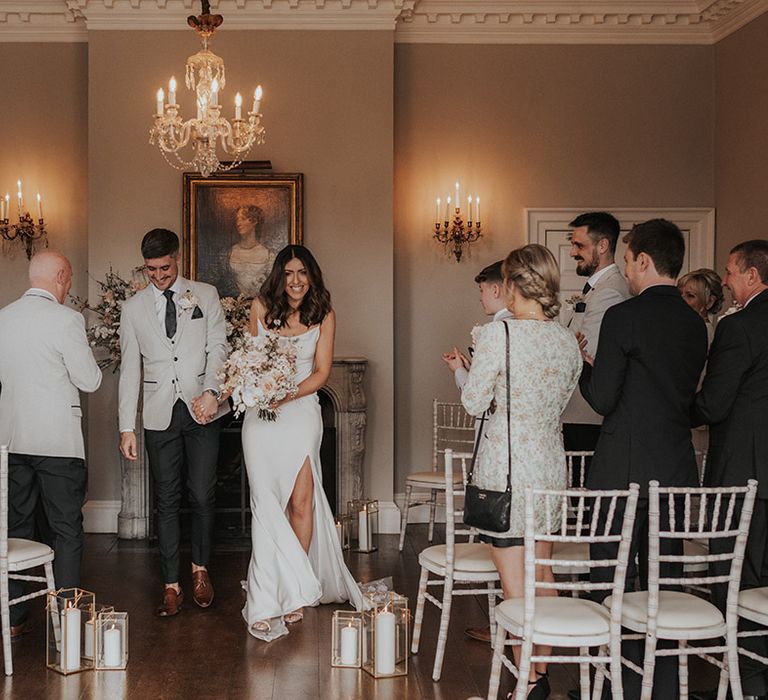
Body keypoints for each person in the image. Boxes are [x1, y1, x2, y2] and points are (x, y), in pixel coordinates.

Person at [579, 218, 708, 699]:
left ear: (644, 261)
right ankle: (664, 685)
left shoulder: (624, 318)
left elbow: (605, 399)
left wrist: (583, 370)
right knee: (665, 581)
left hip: (621, 466)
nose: (626, 271)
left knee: (608, 574)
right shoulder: (695, 323)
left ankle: (608, 685)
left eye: (629, 261)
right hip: (676, 466)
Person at [461, 244, 582, 698]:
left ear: (513, 285)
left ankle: (528, 683)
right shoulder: (566, 339)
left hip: (508, 473)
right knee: (542, 575)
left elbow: (473, 402)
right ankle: (541, 677)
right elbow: (565, 398)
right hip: (551, 468)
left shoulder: (500, 335)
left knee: (515, 588)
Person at [241, 244, 363, 641]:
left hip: (301, 412)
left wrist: (287, 393)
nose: (295, 281)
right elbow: (248, 363)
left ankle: (294, 592)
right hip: (262, 417)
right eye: (289, 273)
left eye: (303, 273)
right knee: (266, 505)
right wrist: (262, 391)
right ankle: (262, 601)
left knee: (300, 502)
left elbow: (323, 372)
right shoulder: (260, 308)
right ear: (279, 276)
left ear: (312, 276)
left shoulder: (324, 314)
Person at [118, 229, 230, 617]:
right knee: (165, 500)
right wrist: (125, 427)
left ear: (177, 258)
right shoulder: (132, 309)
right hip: (158, 412)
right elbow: (130, 368)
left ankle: (200, 571)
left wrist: (212, 392)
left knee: (201, 493)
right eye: (151, 270)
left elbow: (219, 347)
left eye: (164, 268)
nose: (159, 276)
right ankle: (171, 584)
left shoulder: (206, 294)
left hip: (202, 408)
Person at [0, 251, 102, 636]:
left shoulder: (3, 318)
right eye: (69, 278)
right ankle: (67, 617)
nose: (69, 286)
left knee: (17, 527)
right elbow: (89, 380)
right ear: (60, 276)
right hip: (57, 443)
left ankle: (13, 617)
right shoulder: (68, 320)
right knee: (65, 529)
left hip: (10, 438)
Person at [693, 239, 768, 699]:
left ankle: (747, 683)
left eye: (731, 272)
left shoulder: (740, 328)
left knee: (737, 574)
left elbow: (714, 404)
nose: (725, 280)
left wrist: (670, 407)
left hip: (743, 472)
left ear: (754, 277)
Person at [441, 259, 512, 645]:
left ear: (498, 289)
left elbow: (476, 402)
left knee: (501, 537)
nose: (481, 296)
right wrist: (466, 367)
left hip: (498, 450)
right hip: (527, 452)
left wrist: (458, 372)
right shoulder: (534, 330)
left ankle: (505, 619)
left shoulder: (496, 331)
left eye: (483, 289)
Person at [561, 212, 629, 468]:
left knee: (586, 501)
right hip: (579, 411)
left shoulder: (610, 291)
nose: (571, 252)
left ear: (603, 246)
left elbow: (586, 347)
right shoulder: (597, 289)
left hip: (588, 413)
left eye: (579, 245)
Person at [227, 205, 276, 297]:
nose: (238, 223)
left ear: (255, 221)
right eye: (237, 219)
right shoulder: (230, 252)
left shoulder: (268, 254)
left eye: (243, 219)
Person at [677, 268, 724, 346]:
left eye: (690, 296)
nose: (681, 299)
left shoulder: (702, 332)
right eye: (680, 294)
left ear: (709, 302)